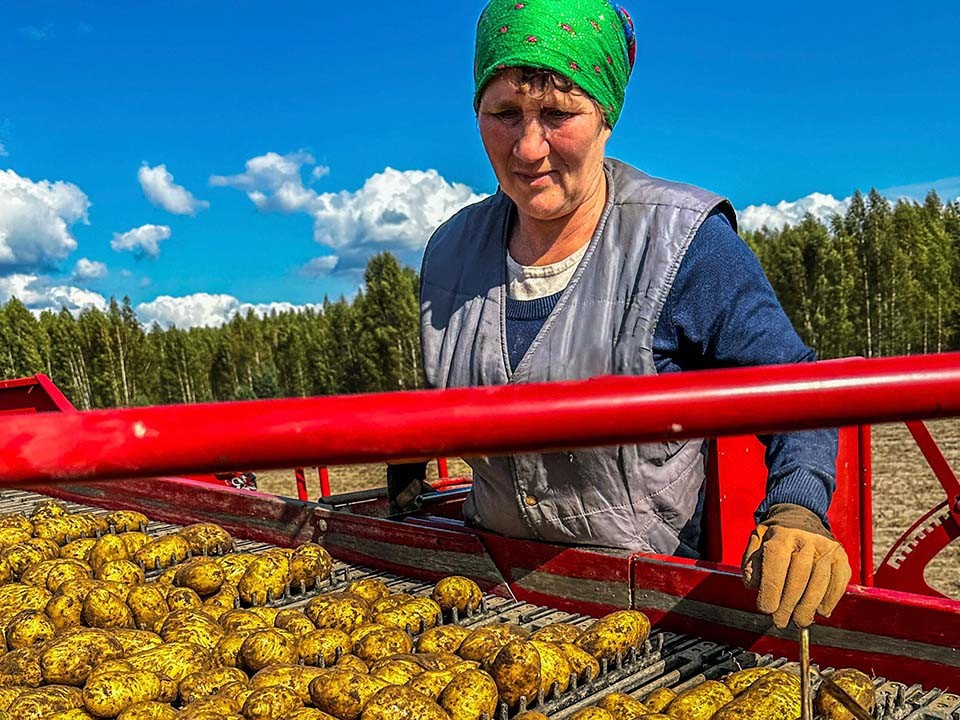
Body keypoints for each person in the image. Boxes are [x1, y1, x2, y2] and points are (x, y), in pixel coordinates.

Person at [418, 0, 851, 629]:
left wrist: (798, 510)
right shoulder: (450, 254)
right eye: (505, 114)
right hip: (491, 594)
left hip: (647, 604)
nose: (529, 146)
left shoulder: (683, 242)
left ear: (604, 116)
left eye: (559, 115)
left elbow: (796, 386)